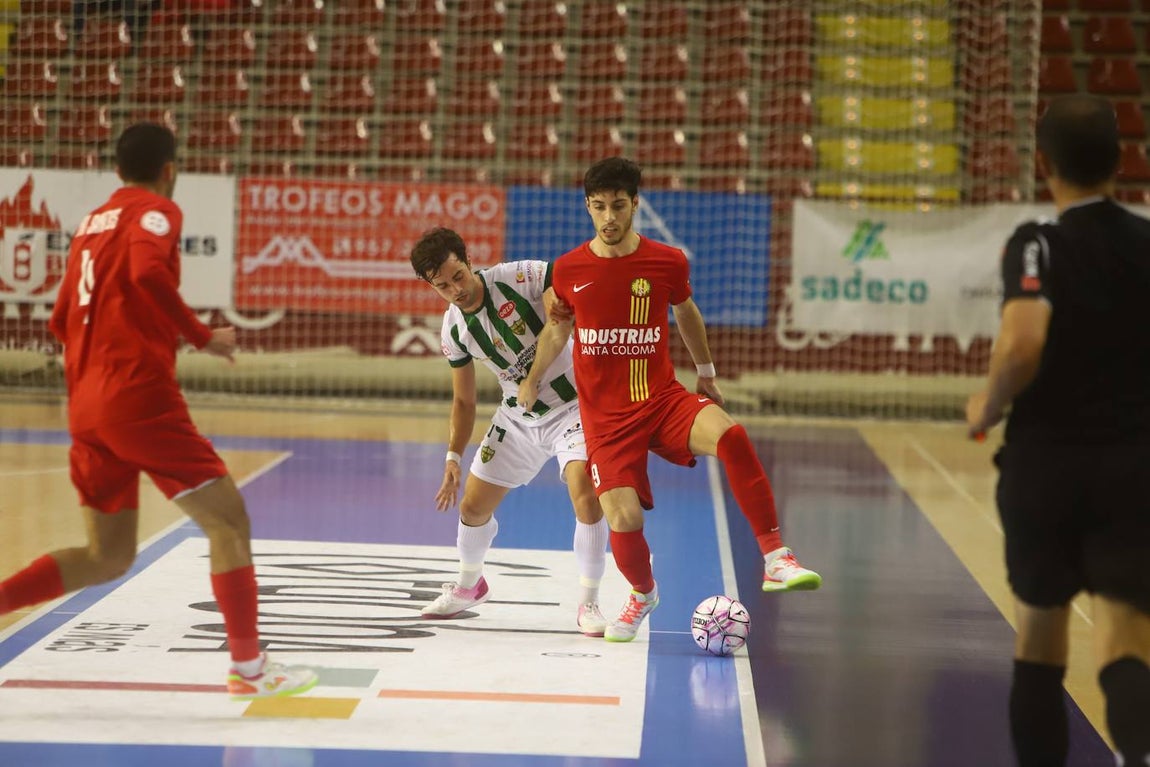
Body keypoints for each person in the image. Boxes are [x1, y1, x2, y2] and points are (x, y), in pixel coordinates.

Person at [0, 123, 316, 700]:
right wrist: (199, 335)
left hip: (85, 405)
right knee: (229, 521)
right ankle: (250, 670)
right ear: (170, 169)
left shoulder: (90, 226)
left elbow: (57, 318)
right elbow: (146, 271)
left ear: (115, 169)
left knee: (107, 556)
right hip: (137, 399)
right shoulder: (157, 213)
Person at [519, 157, 821, 644]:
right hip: (606, 420)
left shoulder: (667, 261)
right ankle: (643, 592)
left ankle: (775, 557)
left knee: (732, 435)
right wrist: (533, 378)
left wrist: (706, 374)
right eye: (599, 208)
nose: (609, 217)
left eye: (619, 206)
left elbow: (687, 312)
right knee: (622, 518)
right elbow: (558, 326)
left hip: (660, 399)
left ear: (636, 204)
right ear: (588, 209)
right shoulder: (570, 269)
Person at [966, 95, 1150, 767]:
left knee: (1040, 634)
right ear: (1122, 160)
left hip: (1045, 468)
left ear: (1044, 165)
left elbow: (1021, 345)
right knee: (1126, 637)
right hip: (1134, 468)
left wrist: (985, 406)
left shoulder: (1037, 241)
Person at [409, 227, 611, 636]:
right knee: (471, 509)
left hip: (574, 406)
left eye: (458, 276)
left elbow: (561, 314)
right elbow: (464, 401)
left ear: (469, 262)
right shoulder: (453, 329)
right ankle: (470, 587)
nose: (455, 290)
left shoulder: (521, 277)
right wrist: (452, 457)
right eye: (442, 285)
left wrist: (534, 374)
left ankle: (589, 601)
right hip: (518, 416)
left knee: (585, 494)